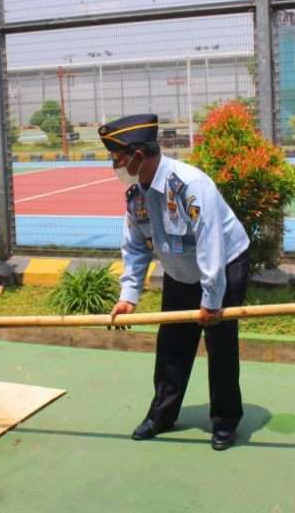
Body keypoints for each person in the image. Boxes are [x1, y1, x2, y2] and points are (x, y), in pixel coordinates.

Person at [101, 114, 251, 451]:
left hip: (225, 265)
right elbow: (135, 246)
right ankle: (162, 415)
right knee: (172, 344)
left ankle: (225, 420)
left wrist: (211, 301)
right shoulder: (136, 195)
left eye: (119, 159)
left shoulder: (190, 186)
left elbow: (211, 245)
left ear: (139, 156)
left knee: (220, 344)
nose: (115, 166)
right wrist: (129, 295)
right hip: (181, 270)